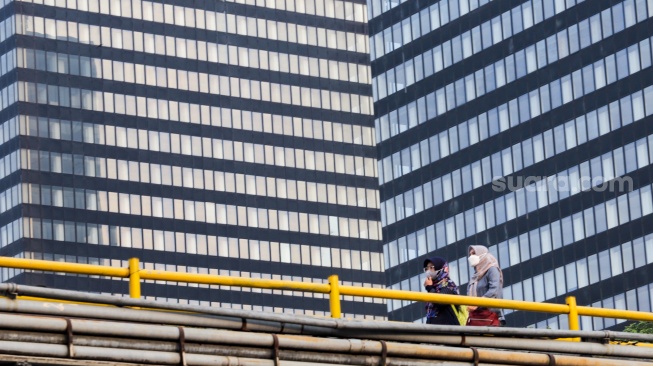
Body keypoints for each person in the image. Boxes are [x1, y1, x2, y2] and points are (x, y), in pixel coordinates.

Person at [466, 245, 505, 326]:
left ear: (482, 255)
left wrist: (477, 303)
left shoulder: (492, 269)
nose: (471, 257)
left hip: (490, 316)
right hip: (476, 317)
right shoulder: (475, 276)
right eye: (470, 254)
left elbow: (494, 290)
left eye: (474, 254)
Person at [423, 256, 461, 325]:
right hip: (435, 330)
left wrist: (429, 288)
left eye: (431, 267)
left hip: (449, 331)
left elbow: (440, 302)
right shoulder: (434, 287)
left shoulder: (449, 284)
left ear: (441, 268)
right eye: (426, 268)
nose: (428, 271)